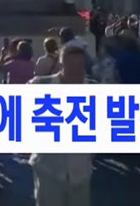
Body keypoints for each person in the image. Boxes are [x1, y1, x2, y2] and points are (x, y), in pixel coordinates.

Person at [28, 46, 97, 206]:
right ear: (61, 65)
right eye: (70, 64)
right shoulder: (40, 86)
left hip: (80, 168)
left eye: (80, 65)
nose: (76, 69)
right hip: (48, 167)